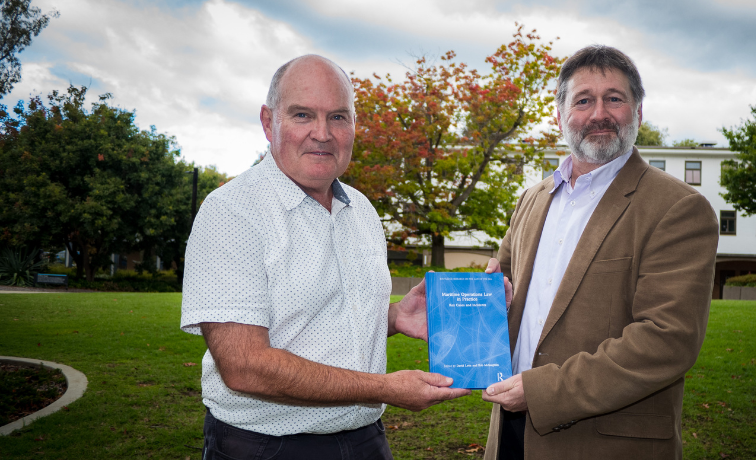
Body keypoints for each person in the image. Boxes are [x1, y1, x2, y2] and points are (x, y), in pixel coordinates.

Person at [180, 55, 473, 460]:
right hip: (267, 446)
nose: (322, 133)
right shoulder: (232, 211)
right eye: (302, 115)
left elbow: (324, 316)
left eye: (338, 117)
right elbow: (244, 365)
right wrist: (384, 388)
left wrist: (393, 316)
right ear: (269, 122)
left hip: (365, 438)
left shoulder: (362, 209)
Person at [481, 45, 719, 459]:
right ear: (560, 117)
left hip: (605, 443)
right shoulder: (531, 199)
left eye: (615, 98)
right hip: (510, 435)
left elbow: (668, 339)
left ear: (639, 113)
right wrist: (492, 305)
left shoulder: (678, 208)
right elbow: (503, 295)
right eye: (584, 100)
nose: (599, 114)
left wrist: (541, 390)